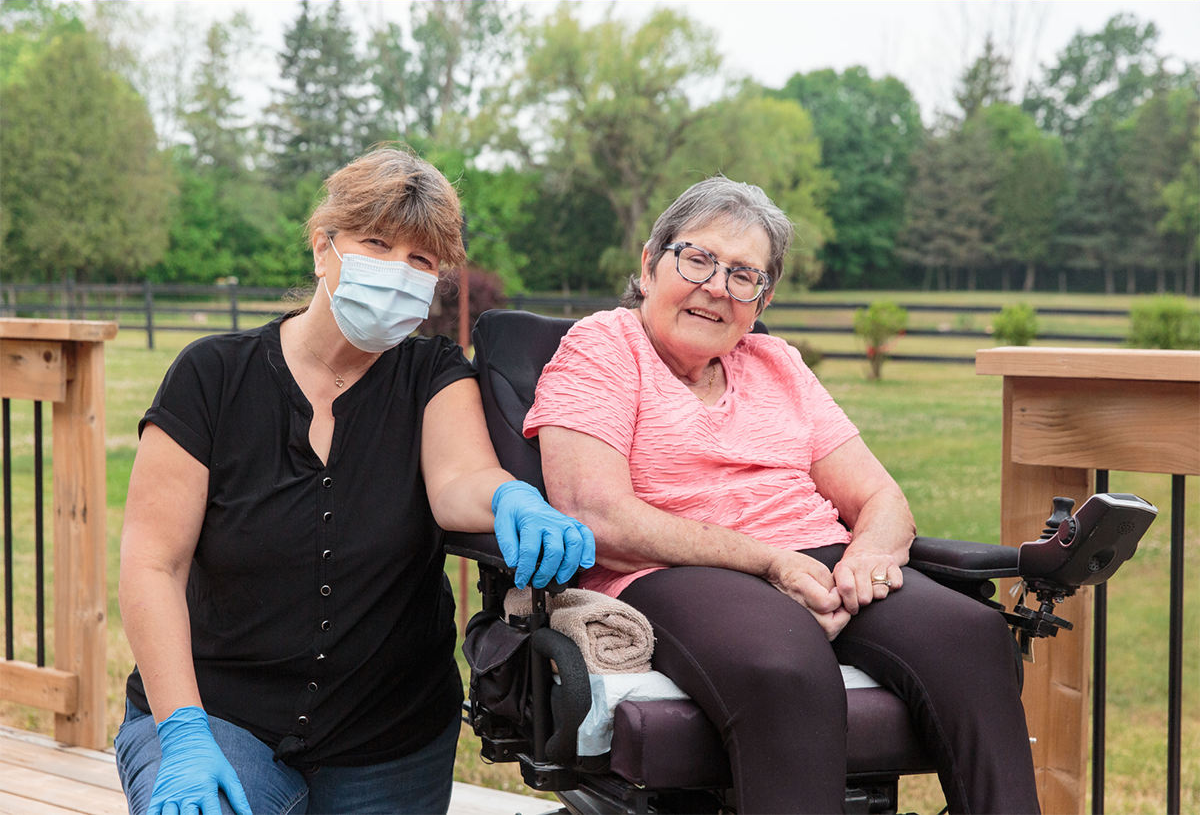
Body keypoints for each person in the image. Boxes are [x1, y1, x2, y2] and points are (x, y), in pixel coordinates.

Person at [522, 177, 1039, 815]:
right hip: (676, 568)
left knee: (973, 636)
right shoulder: (603, 346)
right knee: (784, 667)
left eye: (745, 275)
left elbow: (880, 497)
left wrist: (866, 560)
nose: (718, 287)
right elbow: (594, 512)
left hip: (821, 561)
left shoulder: (778, 365)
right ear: (651, 263)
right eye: (698, 258)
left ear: (762, 297)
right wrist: (771, 562)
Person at [115, 147, 595, 815]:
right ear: (323, 247)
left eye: (421, 260)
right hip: (219, 720)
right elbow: (151, 565)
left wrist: (509, 496)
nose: (397, 271)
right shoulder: (211, 377)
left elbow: (459, 477)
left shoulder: (431, 371)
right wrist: (184, 729)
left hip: (387, 743)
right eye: (376, 243)